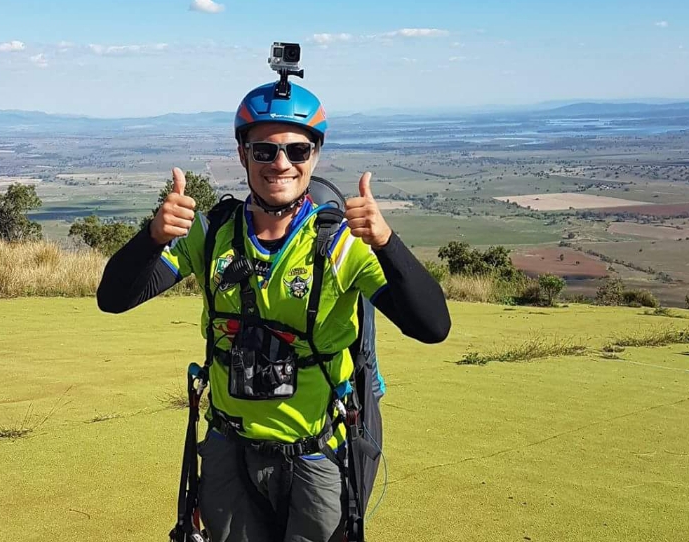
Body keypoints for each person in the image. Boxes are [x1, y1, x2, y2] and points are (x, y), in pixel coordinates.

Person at [96, 78, 451, 542]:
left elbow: (432, 326)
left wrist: (386, 243)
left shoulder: (342, 245)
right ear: (243, 154)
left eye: (297, 150)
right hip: (228, 449)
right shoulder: (211, 235)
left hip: (315, 455)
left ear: (314, 156)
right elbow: (114, 299)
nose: (280, 163)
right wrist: (153, 237)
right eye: (264, 150)